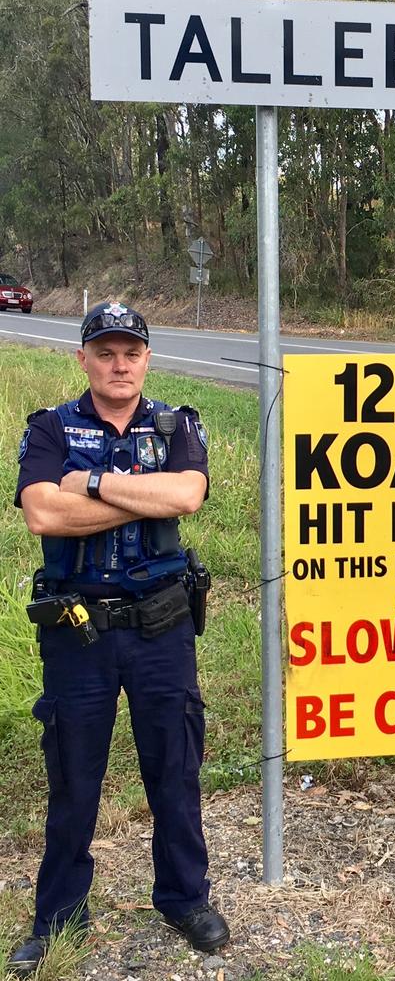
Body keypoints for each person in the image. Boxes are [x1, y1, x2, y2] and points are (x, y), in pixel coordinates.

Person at [9, 302, 229, 978]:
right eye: (104, 352)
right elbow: (42, 509)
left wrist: (98, 483)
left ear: (146, 358)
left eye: (130, 352)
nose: (119, 364)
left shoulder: (177, 423)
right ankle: (58, 917)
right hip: (80, 632)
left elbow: (188, 496)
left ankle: (184, 898)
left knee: (175, 769)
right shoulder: (50, 427)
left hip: (162, 627)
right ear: (83, 359)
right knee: (74, 776)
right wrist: (143, 494)